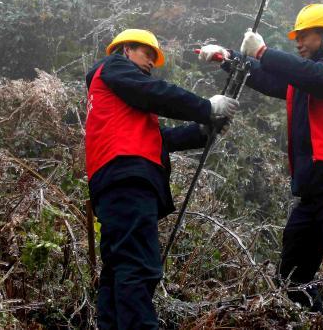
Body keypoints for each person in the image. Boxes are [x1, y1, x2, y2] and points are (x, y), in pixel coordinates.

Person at [199, 4, 323, 329]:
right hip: (312, 193)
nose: (298, 43)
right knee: (291, 275)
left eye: (304, 36)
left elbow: (315, 77)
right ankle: (313, 321)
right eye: (296, 38)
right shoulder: (302, 77)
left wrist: (263, 50)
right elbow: (268, 76)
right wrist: (227, 58)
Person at [86, 29, 238, 330]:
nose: (151, 63)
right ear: (126, 49)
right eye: (147, 54)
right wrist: (205, 107)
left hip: (114, 181)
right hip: (127, 177)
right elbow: (155, 93)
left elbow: (157, 139)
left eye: (154, 59)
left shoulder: (118, 101)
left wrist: (201, 131)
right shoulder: (115, 68)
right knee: (138, 266)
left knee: (118, 268)